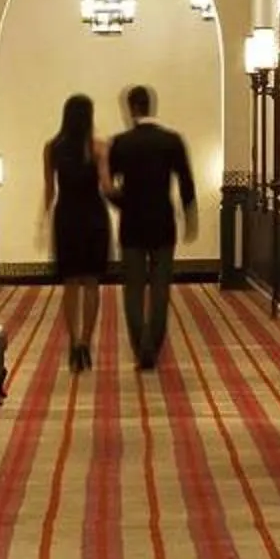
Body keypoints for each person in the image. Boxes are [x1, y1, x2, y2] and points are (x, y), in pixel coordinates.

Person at [104, 84, 197, 370]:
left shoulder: (120, 142)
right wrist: (190, 216)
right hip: (162, 223)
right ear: (151, 106)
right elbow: (185, 181)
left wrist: (124, 204)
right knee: (160, 288)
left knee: (132, 289)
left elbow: (109, 187)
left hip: (132, 225)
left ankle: (139, 344)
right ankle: (153, 346)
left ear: (131, 108)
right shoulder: (171, 141)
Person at [40, 92, 111, 373]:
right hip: (94, 215)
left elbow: (49, 189)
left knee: (70, 283)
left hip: (66, 216)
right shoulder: (98, 147)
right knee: (92, 282)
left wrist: (44, 222)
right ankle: (85, 342)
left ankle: (72, 342)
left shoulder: (52, 147)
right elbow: (106, 185)